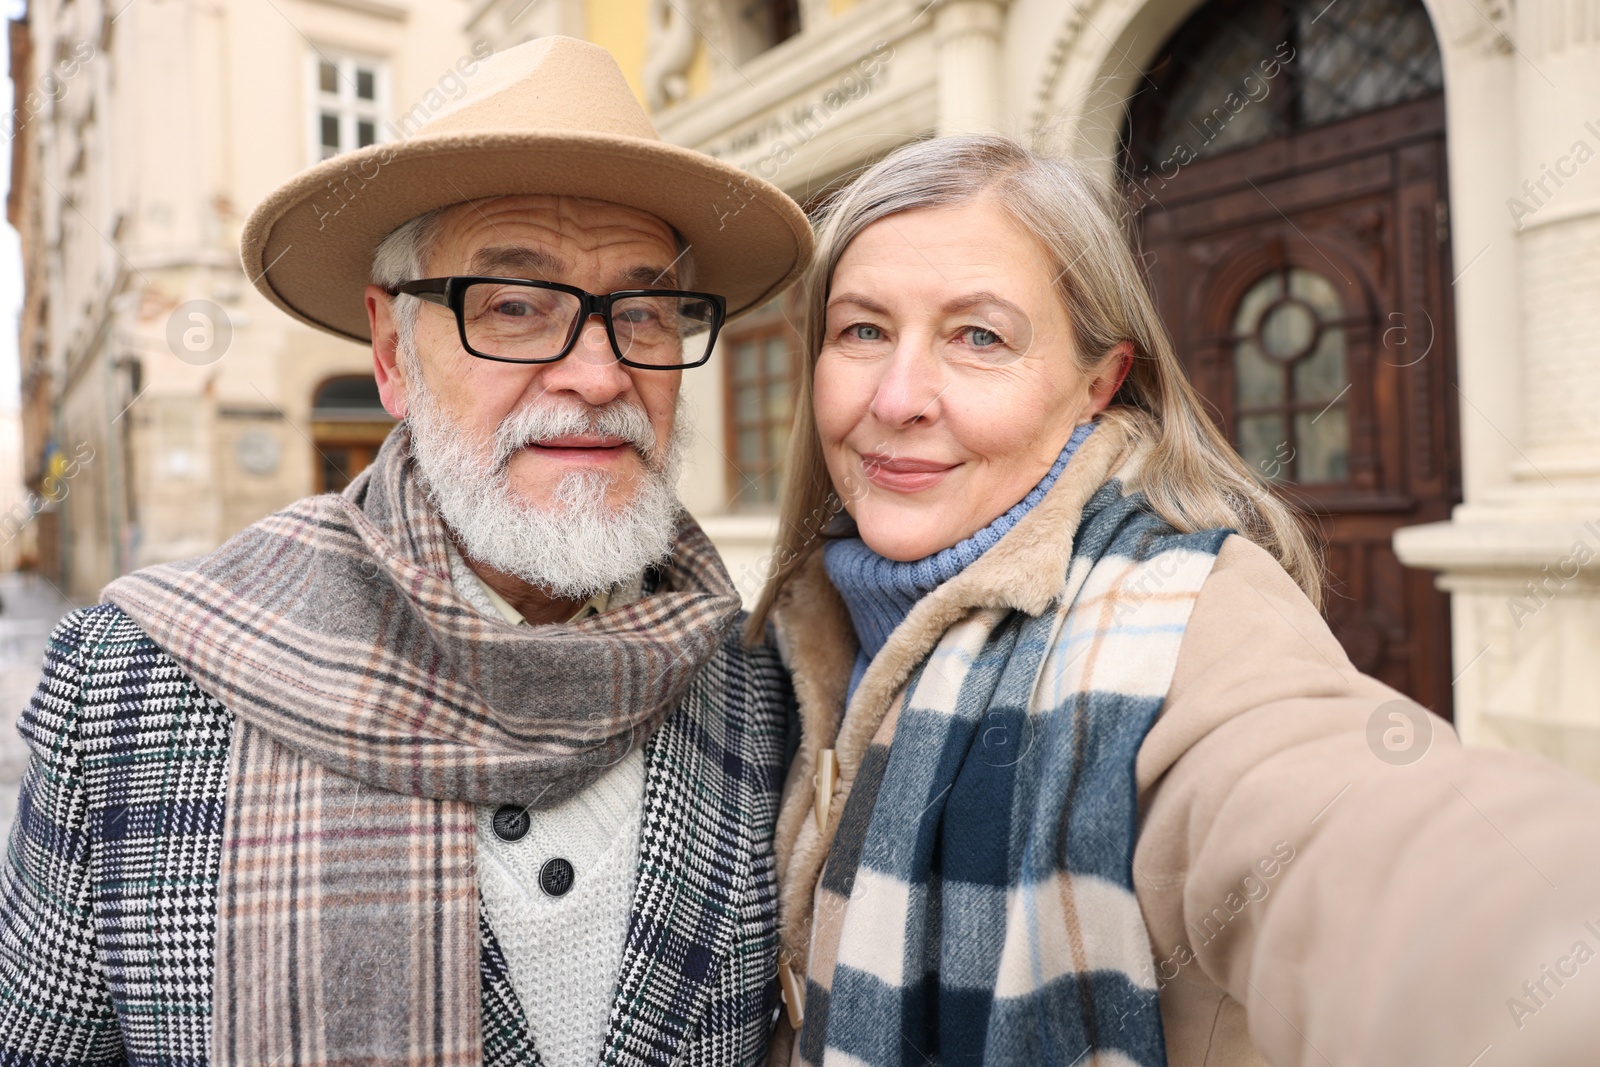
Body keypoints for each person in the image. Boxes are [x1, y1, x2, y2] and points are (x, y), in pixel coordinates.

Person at [0, 37, 811, 1067]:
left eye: (644, 309)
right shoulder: (130, 683)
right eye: (515, 305)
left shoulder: (753, 678)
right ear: (392, 353)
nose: (601, 373)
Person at [750, 134, 1600, 1067]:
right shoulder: (791, 632)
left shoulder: (1187, 615)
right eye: (863, 329)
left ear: (1098, 383)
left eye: (979, 335)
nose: (899, 395)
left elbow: (1340, 823)